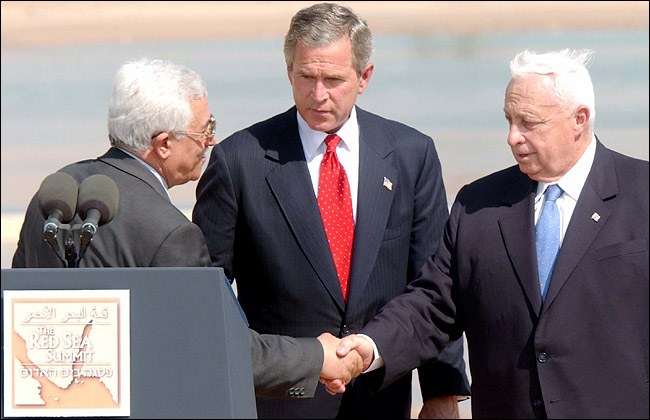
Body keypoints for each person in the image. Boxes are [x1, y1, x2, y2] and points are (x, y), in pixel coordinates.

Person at [11, 57, 362, 399]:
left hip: (48, 399)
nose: (210, 142)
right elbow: (213, 350)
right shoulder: (171, 233)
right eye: (205, 130)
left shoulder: (54, 194)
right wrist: (316, 357)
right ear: (164, 144)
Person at [328, 49, 649, 419]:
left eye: (529, 122)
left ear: (579, 119)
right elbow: (431, 305)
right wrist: (370, 346)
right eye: (509, 120)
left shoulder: (641, 193)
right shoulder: (478, 205)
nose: (513, 137)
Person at [193, 3, 469, 418]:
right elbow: (205, 295)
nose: (318, 94)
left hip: (383, 400)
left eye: (334, 80)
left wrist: (442, 392)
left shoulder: (412, 155)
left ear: (364, 77)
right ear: (289, 71)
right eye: (306, 77)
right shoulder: (239, 161)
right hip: (279, 405)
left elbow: (434, 285)